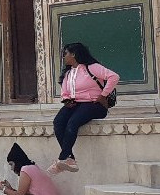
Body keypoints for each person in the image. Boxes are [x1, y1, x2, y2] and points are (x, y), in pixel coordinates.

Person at [47, 43, 119, 174]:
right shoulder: (68, 73)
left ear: (73, 54)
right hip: (75, 104)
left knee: (72, 123)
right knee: (58, 122)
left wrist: (103, 95)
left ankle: (62, 159)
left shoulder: (92, 67)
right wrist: (66, 100)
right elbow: (64, 91)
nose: (64, 56)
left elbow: (114, 77)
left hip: (94, 105)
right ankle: (70, 158)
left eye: (66, 53)